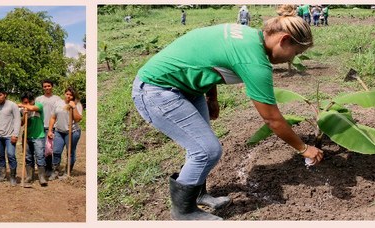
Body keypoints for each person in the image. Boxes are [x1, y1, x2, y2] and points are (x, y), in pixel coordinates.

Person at [131, 5, 323, 220]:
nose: (291, 59)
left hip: (188, 87)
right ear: (284, 39)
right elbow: (272, 119)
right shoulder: (254, 61)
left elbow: (207, 59)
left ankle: (198, 195)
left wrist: (211, 97)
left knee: (198, 146)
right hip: (156, 89)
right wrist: (303, 148)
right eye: (295, 53)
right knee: (207, 151)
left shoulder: (248, 35)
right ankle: (183, 212)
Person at [0, 86, 21, 186]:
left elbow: (17, 120)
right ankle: (2, 175)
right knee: (0, 156)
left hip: (10, 135)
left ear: (5, 95)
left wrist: (15, 134)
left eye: (0, 95)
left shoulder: (12, 105)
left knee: (11, 155)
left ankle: (13, 176)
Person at [47, 87, 83, 179]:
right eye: (67, 94)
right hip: (59, 131)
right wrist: (50, 130)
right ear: (64, 94)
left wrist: (73, 107)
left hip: (72, 132)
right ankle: (55, 171)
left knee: (70, 152)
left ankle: (67, 173)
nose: (69, 96)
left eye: (71, 95)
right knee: (56, 151)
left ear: (73, 96)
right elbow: (53, 117)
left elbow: (78, 119)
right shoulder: (58, 103)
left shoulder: (77, 104)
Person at [18, 92, 47, 187]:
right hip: (27, 136)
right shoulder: (23, 110)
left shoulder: (38, 105)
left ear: (32, 100)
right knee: (28, 157)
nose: (27, 104)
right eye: (24, 102)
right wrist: (24, 116)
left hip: (39, 136)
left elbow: (33, 108)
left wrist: (24, 106)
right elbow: (21, 123)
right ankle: (29, 176)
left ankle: (42, 177)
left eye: (28, 102)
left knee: (40, 156)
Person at [35, 79, 63, 179]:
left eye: (49, 86)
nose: (47, 88)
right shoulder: (39, 99)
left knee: (52, 149)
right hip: (41, 126)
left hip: (53, 127)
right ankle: (46, 168)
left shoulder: (57, 99)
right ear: (43, 87)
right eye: (45, 86)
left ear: (52, 87)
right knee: (43, 148)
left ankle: (53, 169)